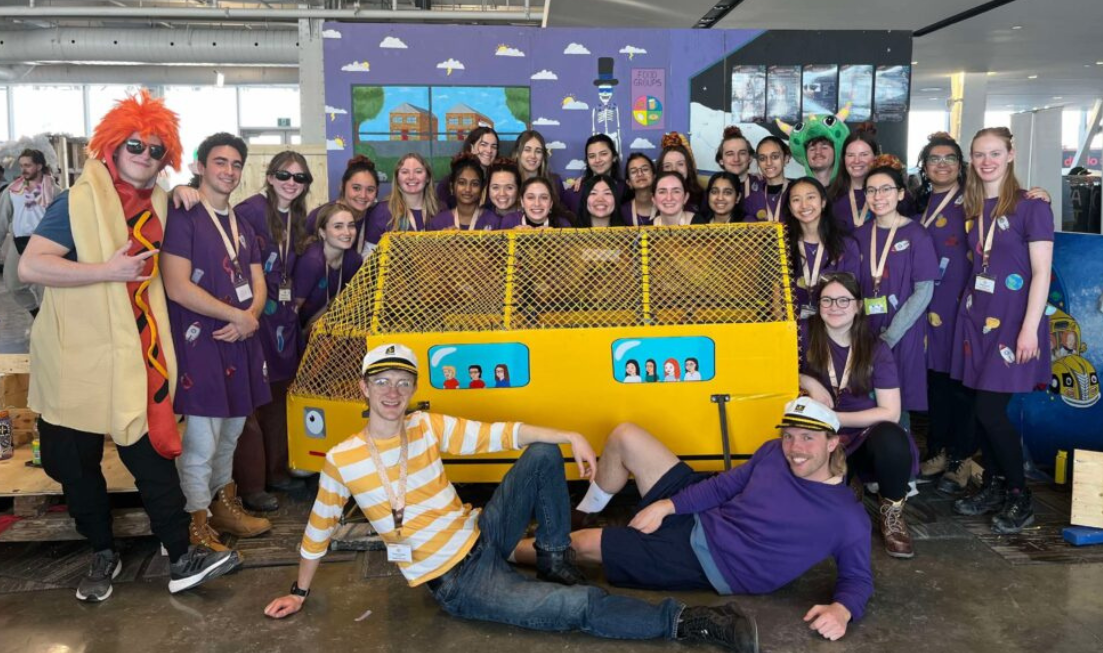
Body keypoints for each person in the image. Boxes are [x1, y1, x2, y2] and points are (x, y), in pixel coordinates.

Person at [264, 344, 758, 651]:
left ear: (413, 388)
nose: (392, 391)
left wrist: (571, 435)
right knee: (578, 607)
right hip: (458, 582)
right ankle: (691, 623)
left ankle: (552, 555)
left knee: (542, 453)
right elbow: (319, 527)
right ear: (364, 389)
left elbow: (502, 433)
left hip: (482, 533)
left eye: (402, 381)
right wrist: (299, 591)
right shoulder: (343, 459)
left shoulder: (426, 426)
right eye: (381, 382)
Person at [18, 89, 240, 601]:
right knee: (77, 466)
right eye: (135, 145)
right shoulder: (75, 201)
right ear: (114, 146)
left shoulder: (161, 199)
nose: (144, 155)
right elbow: (32, 265)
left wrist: (185, 190)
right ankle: (102, 551)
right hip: (77, 357)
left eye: (157, 149)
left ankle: (181, 558)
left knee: (152, 456)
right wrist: (107, 271)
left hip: (137, 353)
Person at [514, 397, 871, 642]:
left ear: (831, 443)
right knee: (625, 436)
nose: (794, 448)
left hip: (713, 560)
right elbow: (724, 486)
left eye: (808, 438)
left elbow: (858, 578)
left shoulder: (846, 517)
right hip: (708, 514)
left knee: (581, 546)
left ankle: (498, 548)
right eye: (789, 436)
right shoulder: (774, 452)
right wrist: (669, 505)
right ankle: (582, 513)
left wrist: (842, 610)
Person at [161, 131, 274, 550]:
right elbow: (176, 286)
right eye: (220, 162)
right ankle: (195, 521)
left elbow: (258, 281)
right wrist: (238, 317)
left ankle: (224, 507)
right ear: (200, 166)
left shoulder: (242, 223)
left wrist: (251, 318)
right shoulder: (183, 214)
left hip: (239, 340)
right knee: (201, 441)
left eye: (236, 164)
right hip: (201, 343)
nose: (229, 171)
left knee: (230, 433)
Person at [950, 127, 1054, 534]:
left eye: (995, 153)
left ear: (1011, 154)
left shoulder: (1032, 207)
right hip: (978, 321)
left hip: (1014, 324)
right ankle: (993, 484)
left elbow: (1042, 273)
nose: (986, 160)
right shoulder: (973, 205)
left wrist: (1030, 329)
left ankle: (1019, 495)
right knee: (980, 411)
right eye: (979, 154)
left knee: (990, 412)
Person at [799, 273, 918, 557]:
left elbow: (890, 411)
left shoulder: (875, 348)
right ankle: (847, 481)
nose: (835, 306)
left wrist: (836, 418)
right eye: (827, 300)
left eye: (844, 300)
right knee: (824, 520)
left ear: (858, 306)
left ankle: (892, 511)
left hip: (860, 434)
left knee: (891, 436)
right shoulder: (802, 334)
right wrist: (807, 380)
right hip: (817, 436)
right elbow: (770, 368)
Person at [231, 151, 313, 512]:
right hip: (251, 314)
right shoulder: (248, 211)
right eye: (285, 175)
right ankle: (251, 482)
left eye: (300, 178)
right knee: (252, 398)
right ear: (269, 176)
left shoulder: (300, 218)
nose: (291, 183)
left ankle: (277, 470)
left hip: (282, 318)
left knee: (280, 397)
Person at [852, 156, 939, 424]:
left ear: (900, 193)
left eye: (886, 189)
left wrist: (889, 337)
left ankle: (902, 464)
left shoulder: (917, 235)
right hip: (865, 330)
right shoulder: (861, 234)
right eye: (871, 190)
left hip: (902, 333)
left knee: (896, 404)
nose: (878, 196)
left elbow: (923, 292)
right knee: (863, 399)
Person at [912, 133, 975, 491]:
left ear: (960, 165)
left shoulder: (973, 200)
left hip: (962, 304)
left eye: (949, 158)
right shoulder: (916, 203)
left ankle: (960, 459)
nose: (941, 164)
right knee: (935, 382)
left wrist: (1037, 194)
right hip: (927, 304)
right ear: (924, 166)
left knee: (962, 383)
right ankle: (936, 450)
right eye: (934, 159)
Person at [782, 177, 860, 320]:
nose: (804, 205)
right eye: (796, 200)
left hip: (834, 327)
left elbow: (852, 295)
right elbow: (776, 294)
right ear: (789, 208)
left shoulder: (846, 245)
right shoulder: (781, 245)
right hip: (792, 331)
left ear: (823, 202)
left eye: (810, 197)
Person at [1, 148, 57, 318]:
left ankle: (49, 324)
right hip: (19, 243)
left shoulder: (55, 191)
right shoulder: (12, 190)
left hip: (45, 244)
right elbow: (2, 218)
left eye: (28, 165)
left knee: (48, 290)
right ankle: (36, 313)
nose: (23, 169)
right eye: (21, 165)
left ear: (39, 166)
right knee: (13, 284)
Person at [293, 202, 363, 330]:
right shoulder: (312, 261)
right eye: (338, 226)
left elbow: (337, 302)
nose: (347, 232)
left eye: (351, 226)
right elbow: (293, 309)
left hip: (321, 328)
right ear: (323, 233)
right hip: (296, 330)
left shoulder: (353, 260)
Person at [306, 155, 381, 257]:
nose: (363, 195)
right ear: (342, 186)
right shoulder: (319, 216)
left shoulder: (377, 216)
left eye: (370, 190)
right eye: (356, 188)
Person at [829, 125, 881, 232]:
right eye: (851, 155)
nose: (856, 161)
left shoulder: (889, 195)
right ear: (844, 159)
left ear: (875, 158)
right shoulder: (831, 196)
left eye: (864, 154)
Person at [428, 154, 499, 231]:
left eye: (474, 184)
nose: (468, 189)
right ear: (452, 187)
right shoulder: (438, 223)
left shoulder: (494, 221)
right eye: (462, 183)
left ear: (481, 188)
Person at [437, 126, 499, 208]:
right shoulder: (448, 183)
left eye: (494, 146)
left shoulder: (496, 182)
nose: (489, 150)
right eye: (483, 145)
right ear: (471, 147)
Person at [562, 134, 625, 215]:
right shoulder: (574, 192)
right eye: (592, 156)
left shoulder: (625, 190)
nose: (597, 160)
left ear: (614, 157)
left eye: (603, 154)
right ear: (587, 161)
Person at [377, 152, 438, 235]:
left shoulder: (441, 209)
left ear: (427, 178)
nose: (411, 177)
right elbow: (370, 248)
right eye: (405, 172)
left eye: (418, 171)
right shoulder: (381, 211)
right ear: (397, 178)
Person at [742, 137, 791, 223]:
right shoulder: (752, 199)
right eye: (762, 158)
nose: (768, 163)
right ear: (758, 162)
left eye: (775, 157)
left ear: (786, 158)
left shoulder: (798, 192)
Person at [499, 177, 573, 229]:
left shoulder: (563, 224)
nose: (537, 203)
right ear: (522, 202)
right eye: (530, 197)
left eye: (544, 197)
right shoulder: (510, 221)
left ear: (551, 203)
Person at [657, 132, 704, 212]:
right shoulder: (655, 198)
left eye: (680, 164)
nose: (674, 169)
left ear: (688, 167)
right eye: (667, 166)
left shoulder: (703, 198)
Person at [512, 129, 563, 198]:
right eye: (527, 150)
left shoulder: (555, 181)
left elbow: (564, 208)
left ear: (543, 156)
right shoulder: (510, 181)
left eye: (538, 151)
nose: (533, 156)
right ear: (517, 153)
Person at [714, 126, 758, 202]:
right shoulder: (714, 187)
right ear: (721, 160)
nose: (736, 159)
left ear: (750, 158)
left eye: (742, 153)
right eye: (730, 154)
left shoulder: (763, 184)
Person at [621, 153, 657, 226]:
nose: (640, 174)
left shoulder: (665, 207)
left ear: (654, 176)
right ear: (629, 182)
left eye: (645, 169)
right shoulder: (622, 212)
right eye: (634, 171)